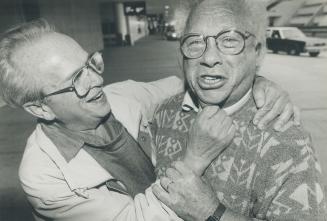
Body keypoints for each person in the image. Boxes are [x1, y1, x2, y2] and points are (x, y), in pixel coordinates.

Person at [0, 19, 298, 221]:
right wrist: (195, 159)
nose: (96, 79)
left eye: (90, 62)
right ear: (41, 109)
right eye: (77, 79)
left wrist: (252, 82)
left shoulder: (122, 96)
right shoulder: (43, 176)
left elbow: (183, 84)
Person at [151, 0, 327, 221]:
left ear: (258, 53)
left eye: (229, 40)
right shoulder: (163, 113)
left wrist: (212, 213)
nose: (209, 58)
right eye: (195, 42)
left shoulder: (288, 141)